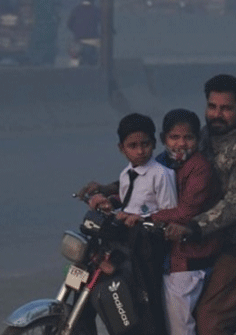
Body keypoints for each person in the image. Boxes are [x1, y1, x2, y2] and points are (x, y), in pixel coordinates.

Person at [166, 74, 236, 335]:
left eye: (226, 108)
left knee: (210, 322)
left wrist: (193, 226)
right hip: (201, 238)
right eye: (212, 107)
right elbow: (165, 165)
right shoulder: (204, 135)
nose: (217, 114)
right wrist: (114, 190)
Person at [86, 112, 178, 335]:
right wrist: (108, 205)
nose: (140, 150)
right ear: (121, 148)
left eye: (145, 144)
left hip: (148, 242)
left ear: (154, 144)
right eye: (133, 145)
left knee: (142, 299)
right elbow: (130, 203)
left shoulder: (161, 174)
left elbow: (169, 212)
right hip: (129, 238)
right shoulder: (127, 174)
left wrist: (144, 219)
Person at [151, 109, 222, 335]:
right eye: (174, 137)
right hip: (167, 251)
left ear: (197, 140)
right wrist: (109, 196)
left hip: (190, 256)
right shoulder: (162, 162)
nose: (181, 144)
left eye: (188, 137)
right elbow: (140, 184)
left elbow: (186, 212)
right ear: (164, 140)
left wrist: (144, 217)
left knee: (180, 327)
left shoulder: (200, 167)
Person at [67, 0, 101, 66]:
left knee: (74, 61)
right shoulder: (96, 10)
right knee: (95, 63)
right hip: (93, 41)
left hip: (78, 40)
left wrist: (76, 31)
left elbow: (69, 24)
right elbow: (104, 24)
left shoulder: (76, 9)